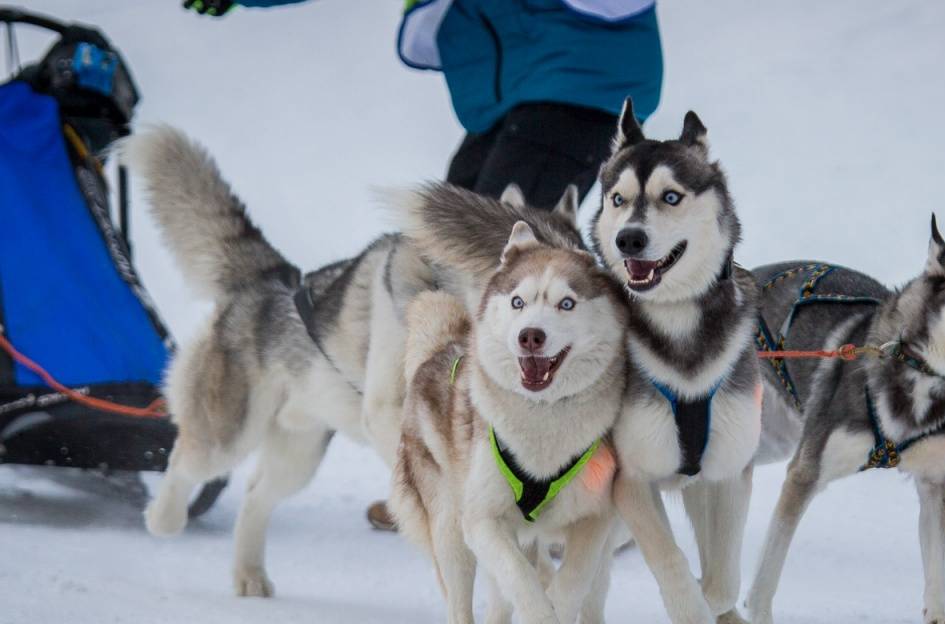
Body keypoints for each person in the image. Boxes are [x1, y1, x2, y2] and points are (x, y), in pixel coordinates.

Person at [182, 0, 664, 529]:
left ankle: (582, 499)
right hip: (523, 83)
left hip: (570, 75)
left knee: (508, 293)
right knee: (460, 283)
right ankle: (454, 477)